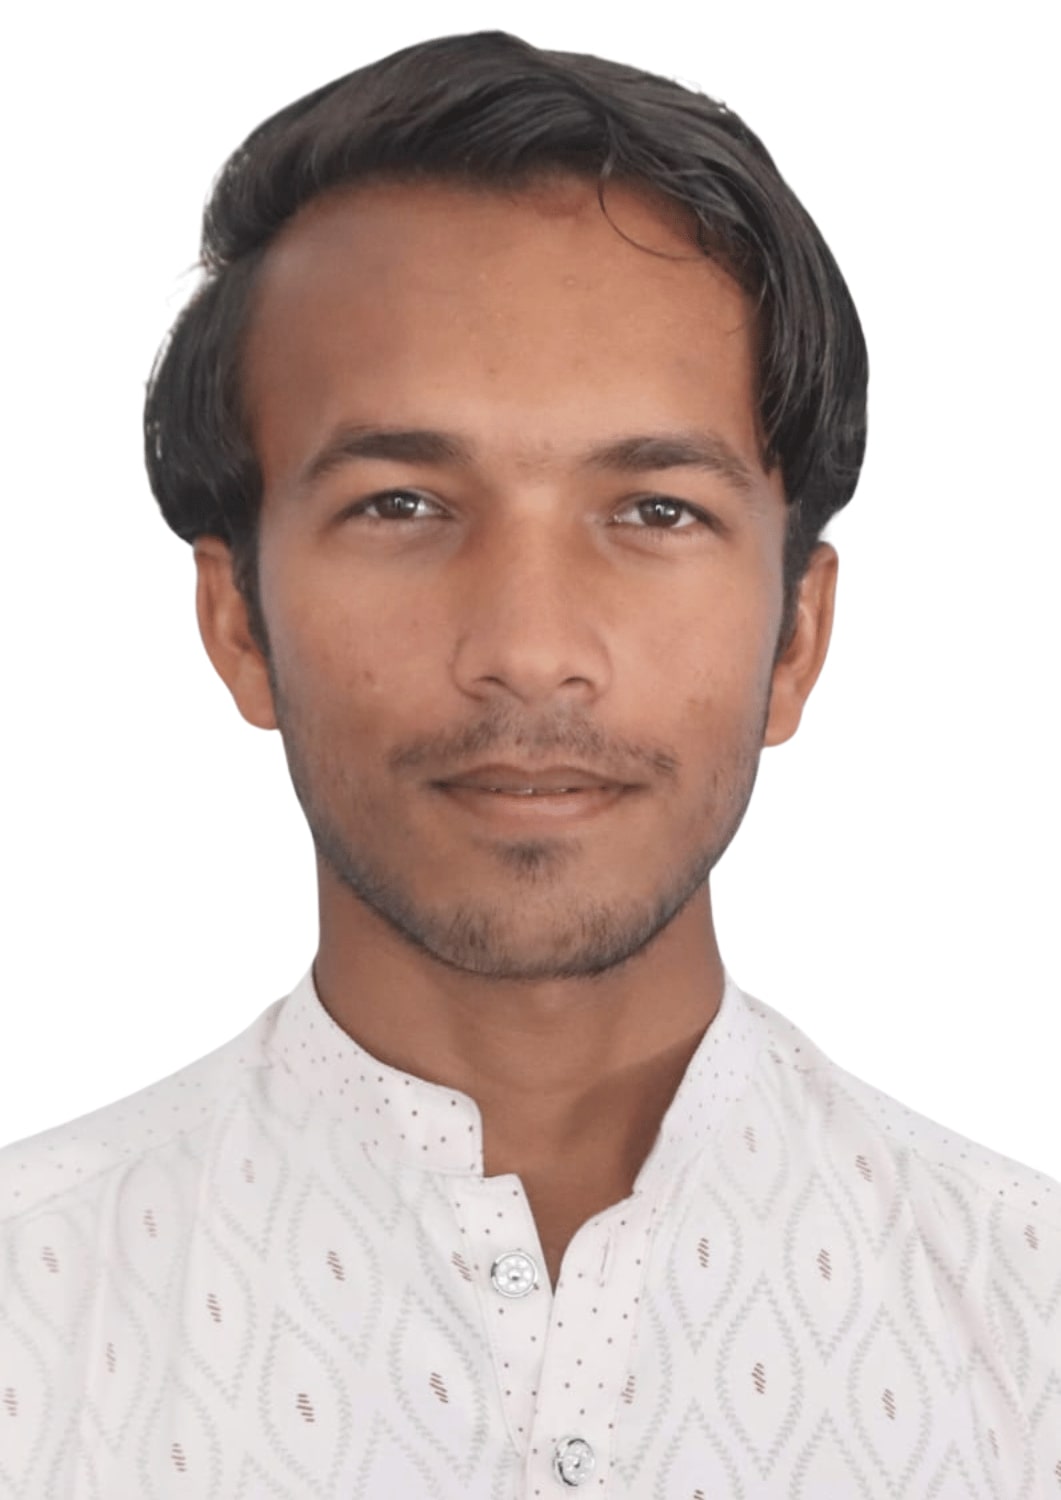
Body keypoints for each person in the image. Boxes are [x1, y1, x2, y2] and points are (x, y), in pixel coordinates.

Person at [1, 28, 1057, 1498]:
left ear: (795, 636)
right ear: (238, 620)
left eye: (657, 511)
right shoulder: (30, 1317)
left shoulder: (1028, 1326)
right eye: (401, 504)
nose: (530, 648)